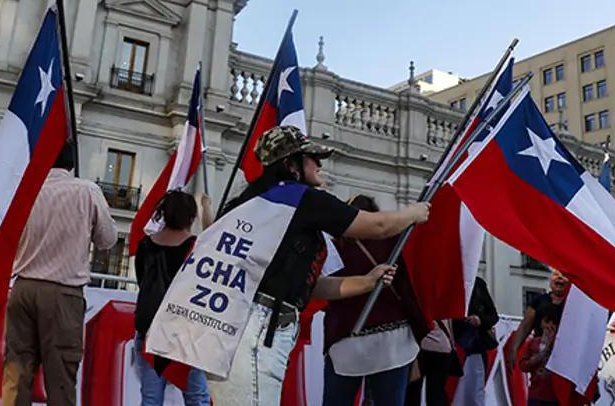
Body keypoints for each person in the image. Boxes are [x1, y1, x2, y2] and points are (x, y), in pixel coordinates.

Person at [207, 125, 431, 406]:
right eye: (311, 156)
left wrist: (365, 281)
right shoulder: (301, 198)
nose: (319, 163)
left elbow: (309, 284)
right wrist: (414, 212)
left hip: (236, 325)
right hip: (261, 327)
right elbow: (379, 226)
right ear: (291, 165)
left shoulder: (247, 204)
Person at [2, 141, 118, 406]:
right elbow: (108, 239)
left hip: (23, 288)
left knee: (16, 373)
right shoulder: (87, 191)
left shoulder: (25, 190)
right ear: (72, 163)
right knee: (61, 378)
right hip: (63, 293)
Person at [322, 194, 423, 406]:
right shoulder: (395, 241)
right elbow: (409, 288)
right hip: (392, 340)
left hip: (345, 337)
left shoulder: (334, 248)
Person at [134, 191, 213, 406]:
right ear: (190, 217)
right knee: (197, 397)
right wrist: (207, 207)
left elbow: (143, 282)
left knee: (151, 398)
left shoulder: (145, 245)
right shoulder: (198, 247)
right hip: (185, 331)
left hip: (151, 329)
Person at [506, 269, 569, 370]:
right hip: (539, 349)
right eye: (556, 274)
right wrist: (514, 350)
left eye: (564, 275)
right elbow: (524, 327)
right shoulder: (539, 300)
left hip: (563, 352)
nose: (559, 277)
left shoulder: (572, 303)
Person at [451, 276, 499, 405]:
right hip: (449, 345)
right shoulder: (444, 280)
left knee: (473, 392)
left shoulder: (478, 283)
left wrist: (480, 320)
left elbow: (493, 316)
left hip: (473, 347)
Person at [519, 303, 562, 406]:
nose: (549, 326)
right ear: (541, 323)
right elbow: (522, 365)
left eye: (553, 323)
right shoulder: (533, 343)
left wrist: (551, 344)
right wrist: (533, 361)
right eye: (546, 322)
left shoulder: (561, 345)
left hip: (554, 396)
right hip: (535, 394)